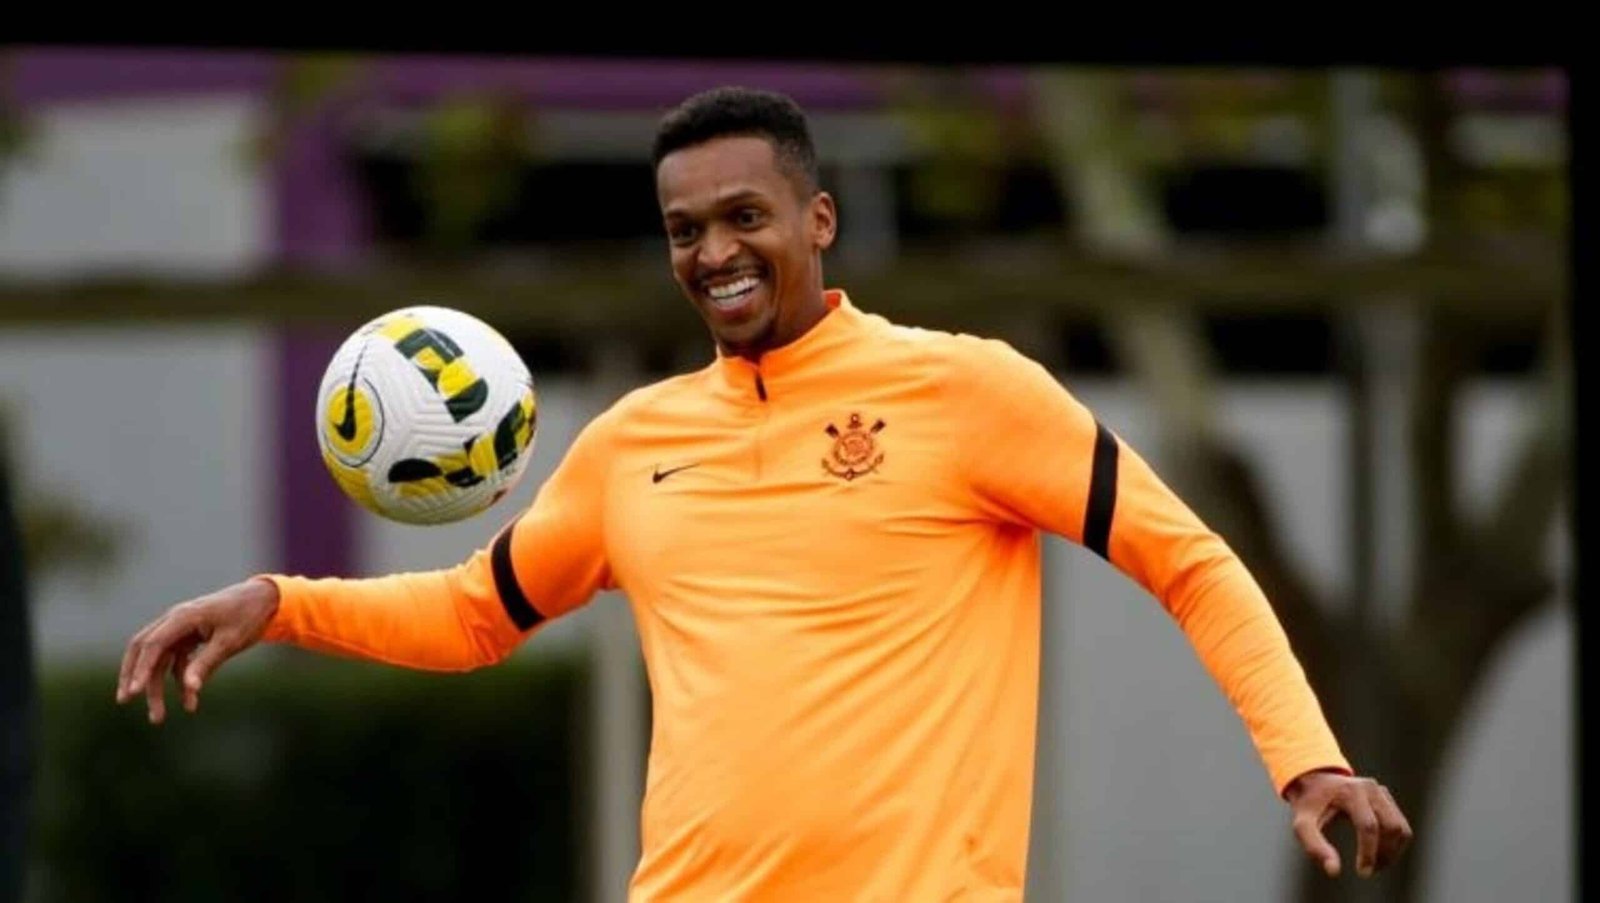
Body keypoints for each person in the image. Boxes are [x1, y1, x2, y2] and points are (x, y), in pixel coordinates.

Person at [117, 86, 1412, 900]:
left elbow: (1189, 561)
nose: (715, 252)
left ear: (820, 221)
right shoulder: (632, 443)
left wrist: (1305, 760)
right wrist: (279, 601)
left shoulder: (967, 390)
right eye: (685, 230)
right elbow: (472, 615)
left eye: (745, 216)